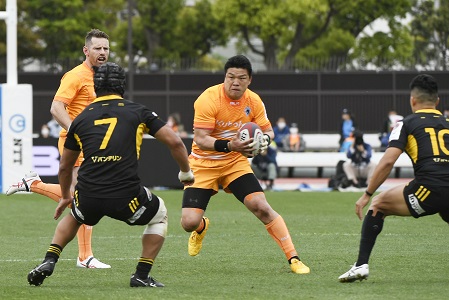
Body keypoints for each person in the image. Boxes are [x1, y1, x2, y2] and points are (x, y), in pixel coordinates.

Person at [27, 62, 195, 287]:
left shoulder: (80, 120)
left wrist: (67, 195)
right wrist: (185, 172)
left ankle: (49, 260)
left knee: (76, 216)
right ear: (123, 86)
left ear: (95, 88)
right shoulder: (138, 111)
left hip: (88, 194)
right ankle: (141, 275)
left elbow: (65, 167)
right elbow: (175, 141)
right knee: (160, 214)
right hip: (125, 195)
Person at [180, 55, 310, 274]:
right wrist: (231, 145)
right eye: (230, 77)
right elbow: (201, 139)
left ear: (249, 80)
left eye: (241, 78)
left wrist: (262, 142)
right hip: (203, 164)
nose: (235, 82)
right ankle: (201, 227)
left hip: (234, 163)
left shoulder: (254, 101)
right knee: (188, 223)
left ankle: (294, 258)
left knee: (261, 207)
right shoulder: (208, 98)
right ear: (225, 77)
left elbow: (268, 132)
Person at [7, 29, 112, 269]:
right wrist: (79, 132)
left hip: (94, 144)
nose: (103, 52)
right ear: (86, 51)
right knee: (86, 196)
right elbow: (56, 108)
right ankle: (85, 256)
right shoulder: (75, 76)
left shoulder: (106, 76)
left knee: (85, 195)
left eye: (106, 48)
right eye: (97, 48)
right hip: (74, 143)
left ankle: (33, 184)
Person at [338, 74, 449, 282]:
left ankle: (361, 265)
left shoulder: (406, 123)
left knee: (378, 204)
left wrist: (367, 194)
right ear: (437, 102)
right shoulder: (448, 122)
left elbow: (388, 162)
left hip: (429, 188)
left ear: (412, 100)